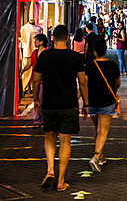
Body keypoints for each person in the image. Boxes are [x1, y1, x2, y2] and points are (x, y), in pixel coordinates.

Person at [33, 25, 88, 192]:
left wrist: (36, 99)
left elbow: (36, 80)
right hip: (69, 104)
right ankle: (61, 181)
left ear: (53, 39)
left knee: (49, 136)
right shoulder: (75, 57)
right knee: (65, 141)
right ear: (68, 39)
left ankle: (50, 169)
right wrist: (85, 103)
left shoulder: (45, 56)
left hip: (49, 104)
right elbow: (83, 82)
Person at [85, 38, 121, 172]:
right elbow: (118, 84)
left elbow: (85, 83)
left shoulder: (90, 65)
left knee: (97, 130)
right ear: (105, 51)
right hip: (107, 102)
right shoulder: (113, 65)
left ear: (94, 52)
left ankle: (101, 156)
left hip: (92, 101)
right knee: (103, 131)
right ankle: (95, 156)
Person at [20, 33, 48, 126]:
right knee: (36, 100)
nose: (34, 42)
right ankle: (38, 119)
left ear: (41, 42)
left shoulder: (47, 53)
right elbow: (29, 64)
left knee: (43, 100)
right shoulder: (34, 53)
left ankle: (43, 119)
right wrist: (23, 70)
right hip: (35, 80)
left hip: (45, 81)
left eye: (36, 40)